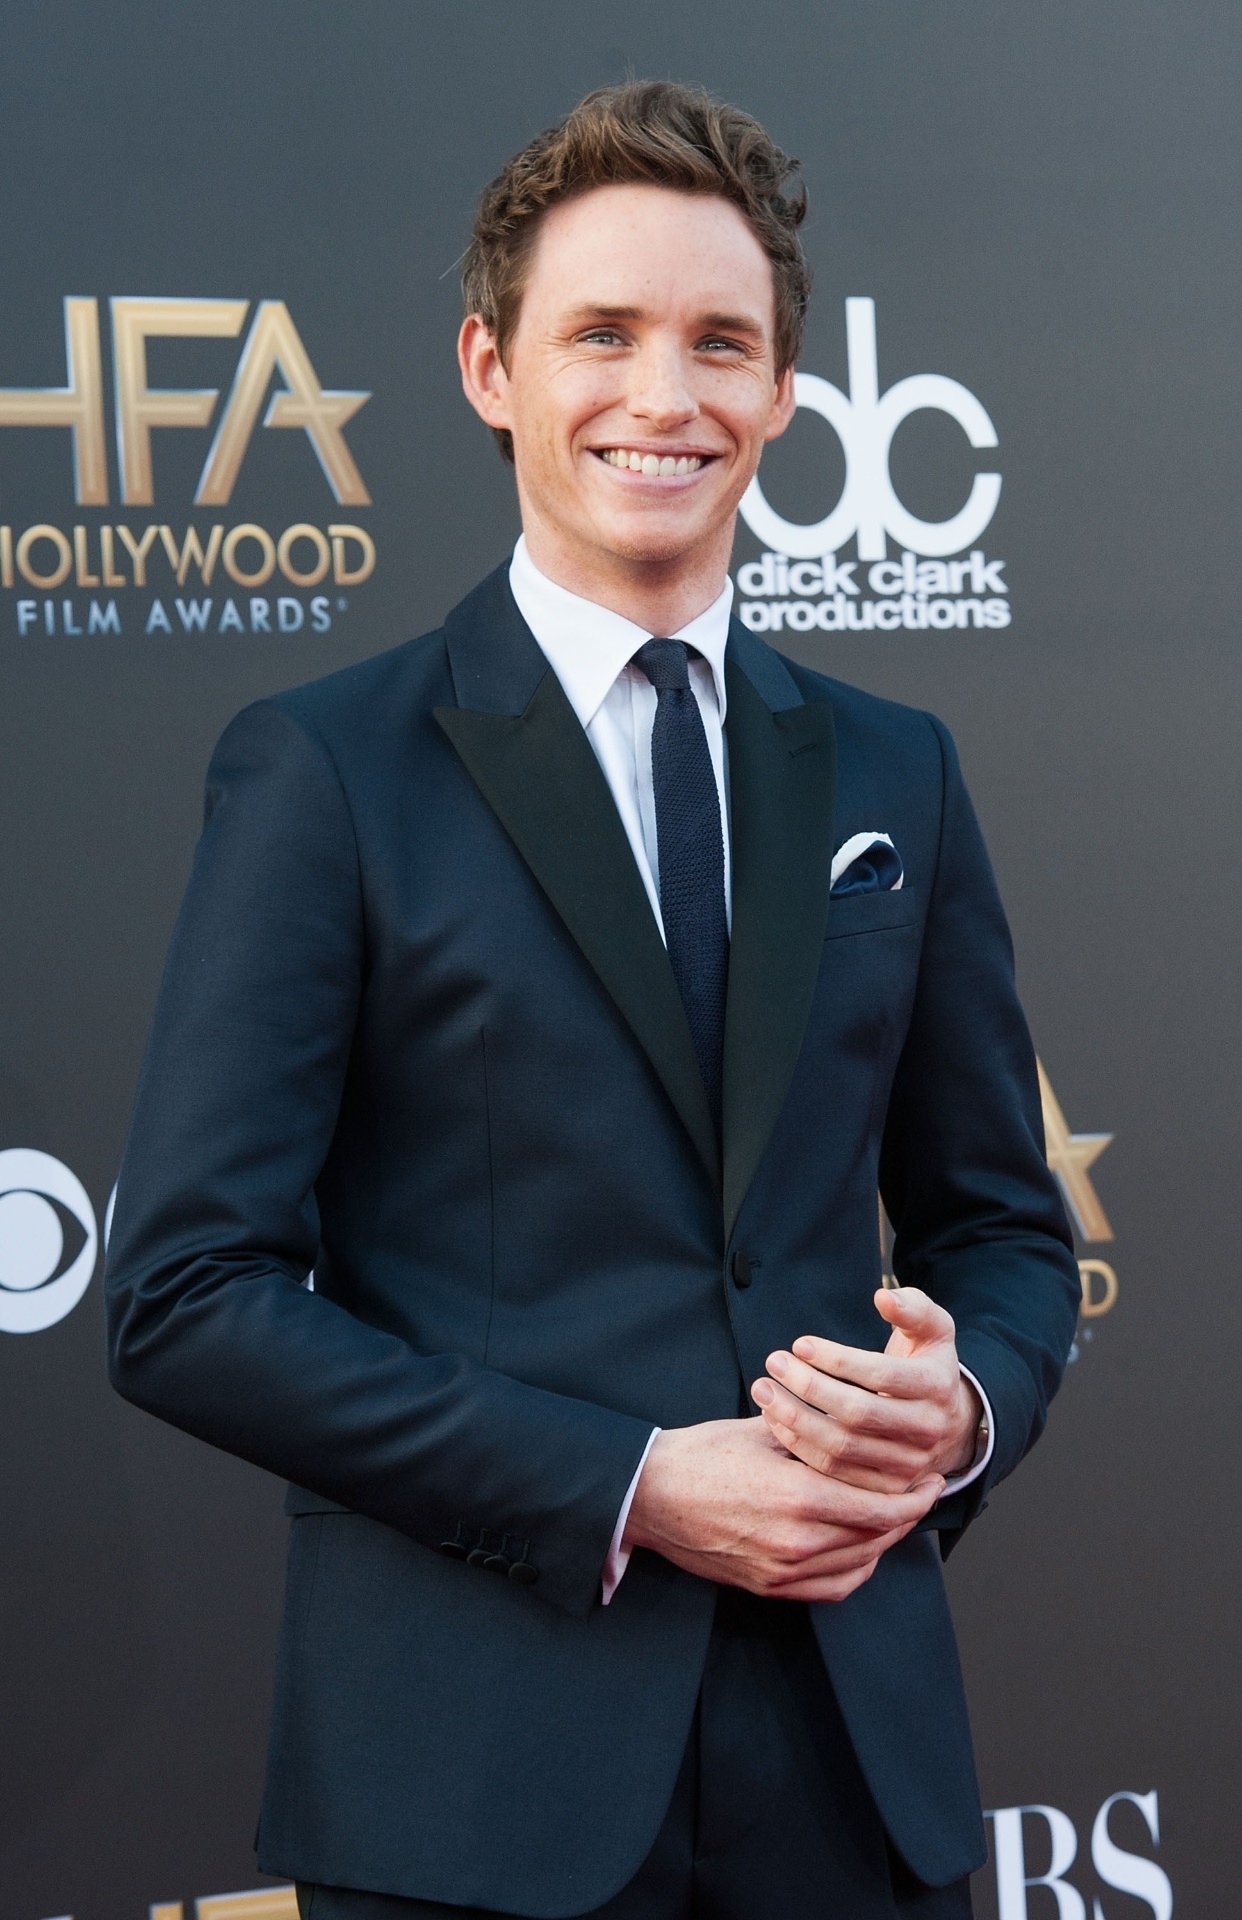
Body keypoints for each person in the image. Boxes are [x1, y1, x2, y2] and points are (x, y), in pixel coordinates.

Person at [105, 80, 1079, 1920]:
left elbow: (1007, 1231)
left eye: (721, 342)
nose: (665, 395)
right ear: (490, 369)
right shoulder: (328, 767)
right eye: (603, 335)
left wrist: (955, 1417)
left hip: (856, 1783)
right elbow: (181, 1298)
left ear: (786, 392)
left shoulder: (896, 770)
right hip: (469, 1789)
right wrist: (626, 1481)